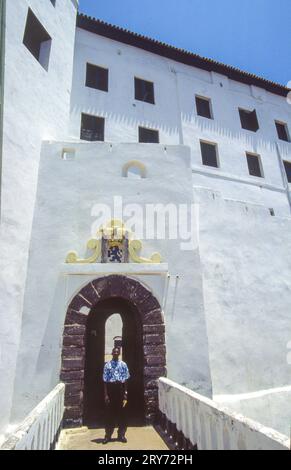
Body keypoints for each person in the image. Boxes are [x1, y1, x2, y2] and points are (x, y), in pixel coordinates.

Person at [102, 347, 130, 444]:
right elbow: (105, 381)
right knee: (110, 413)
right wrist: (106, 394)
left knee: (122, 413)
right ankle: (108, 435)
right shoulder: (107, 365)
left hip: (120, 390)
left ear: (119, 354)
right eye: (114, 352)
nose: (116, 353)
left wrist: (126, 393)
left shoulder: (123, 364)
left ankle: (121, 435)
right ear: (112, 353)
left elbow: (126, 379)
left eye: (117, 352)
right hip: (111, 389)